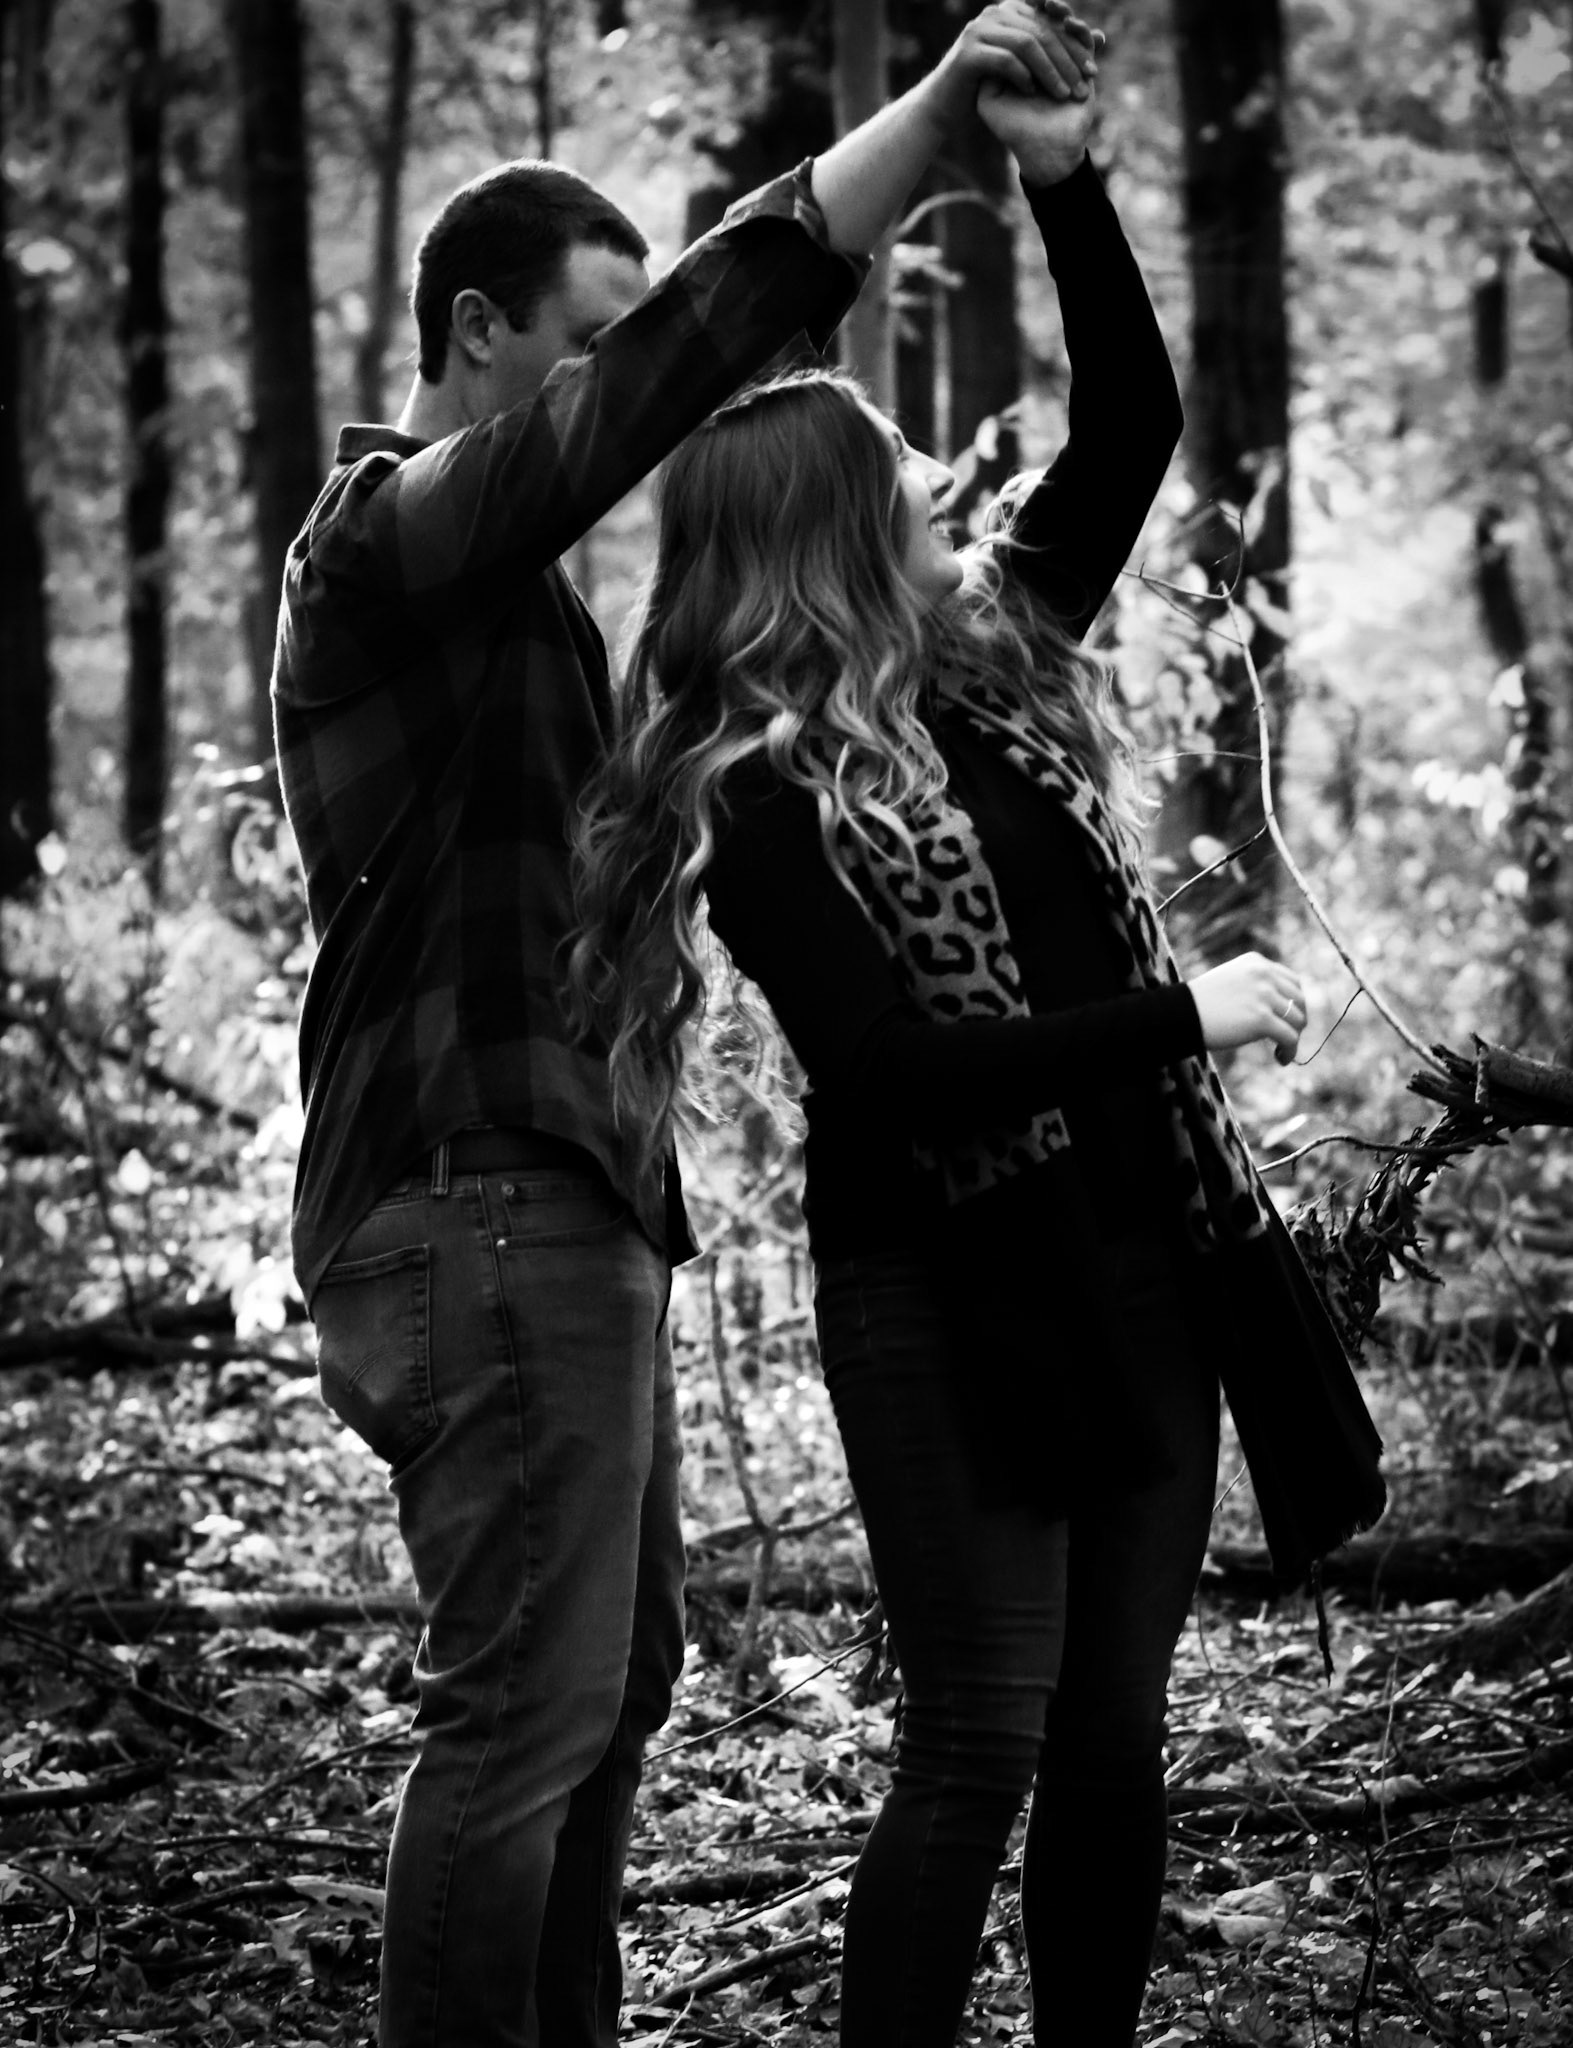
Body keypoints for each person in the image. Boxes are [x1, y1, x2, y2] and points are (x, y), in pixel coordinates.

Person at [269, 7, 1103, 2046]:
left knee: (607, 1689)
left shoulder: (524, 618)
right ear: (474, 333)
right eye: (582, 344)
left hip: (559, 1207)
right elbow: (659, 386)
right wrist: (929, 121)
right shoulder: (375, 545)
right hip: (473, 1200)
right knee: (521, 1714)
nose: (616, 393)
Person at [569, 24, 1387, 2048]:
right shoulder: (754, 792)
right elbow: (887, 1076)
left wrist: (1064, 178)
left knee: (1114, 1740)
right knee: (979, 1745)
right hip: (946, 1301)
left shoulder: (998, 663)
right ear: (831, 536)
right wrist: (1176, 1013)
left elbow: (1131, 423)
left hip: (1144, 1266)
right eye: (908, 488)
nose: (953, 496)